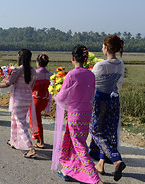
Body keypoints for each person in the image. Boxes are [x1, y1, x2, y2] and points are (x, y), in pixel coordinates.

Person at [51, 45, 102, 184]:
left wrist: (55, 94)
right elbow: (91, 95)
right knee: (72, 143)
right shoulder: (91, 75)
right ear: (85, 59)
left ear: (72, 58)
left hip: (75, 114)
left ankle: (95, 179)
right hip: (86, 114)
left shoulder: (71, 75)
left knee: (79, 146)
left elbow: (62, 97)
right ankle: (68, 170)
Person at [89, 34, 126, 182]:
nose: (102, 49)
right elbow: (119, 84)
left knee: (97, 132)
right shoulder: (120, 64)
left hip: (100, 100)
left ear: (106, 48)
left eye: (103, 46)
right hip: (114, 101)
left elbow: (91, 84)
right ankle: (101, 164)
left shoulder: (101, 65)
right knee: (109, 133)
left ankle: (116, 159)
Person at [0, 49, 37, 158]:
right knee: (15, 119)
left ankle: (30, 147)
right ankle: (13, 140)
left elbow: (8, 83)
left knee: (20, 122)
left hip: (18, 99)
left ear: (20, 58)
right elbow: (31, 87)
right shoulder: (34, 71)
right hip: (27, 98)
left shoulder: (17, 70)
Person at [29, 53, 52, 148]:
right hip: (45, 99)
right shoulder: (50, 74)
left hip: (36, 99)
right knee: (37, 119)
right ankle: (38, 139)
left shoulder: (35, 73)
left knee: (36, 120)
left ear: (38, 62)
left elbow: (30, 85)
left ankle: (41, 141)